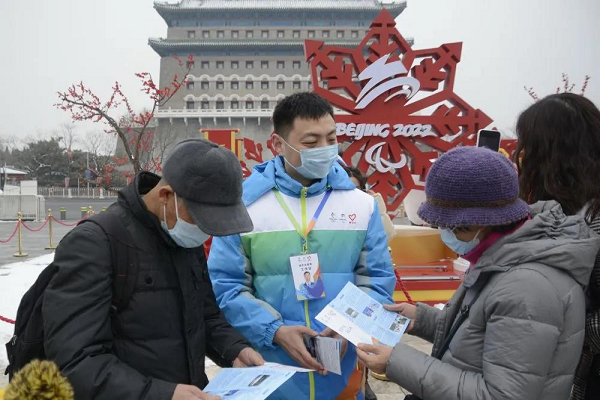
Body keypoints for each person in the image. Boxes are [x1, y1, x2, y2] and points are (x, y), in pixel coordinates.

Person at [356, 146, 600, 400]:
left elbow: (501, 395)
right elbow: (484, 333)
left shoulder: (527, 286)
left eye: (447, 225)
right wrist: (422, 320)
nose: (444, 232)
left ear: (478, 222)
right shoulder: (502, 257)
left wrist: (396, 361)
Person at [42, 139, 265, 400]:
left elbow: (205, 315)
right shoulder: (96, 243)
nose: (207, 231)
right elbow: (75, 361)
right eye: (202, 218)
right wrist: (163, 394)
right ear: (166, 196)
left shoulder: (184, 236)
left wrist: (234, 349)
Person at [208, 92, 396, 400]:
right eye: (311, 142)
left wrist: (349, 325)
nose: (324, 149)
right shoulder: (243, 206)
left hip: (342, 376)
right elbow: (225, 287)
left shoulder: (362, 205)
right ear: (277, 143)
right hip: (270, 373)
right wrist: (274, 331)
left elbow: (377, 281)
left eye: (331, 139)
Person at [514, 93, 600, 399]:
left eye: (527, 146)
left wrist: (564, 324)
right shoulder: (561, 209)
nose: (521, 156)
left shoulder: (593, 219)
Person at [342, 164, 397, 243]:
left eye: (357, 189)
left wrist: (378, 207)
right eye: (347, 188)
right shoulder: (332, 209)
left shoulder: (367, 210)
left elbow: (388, 236)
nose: (352, 193)